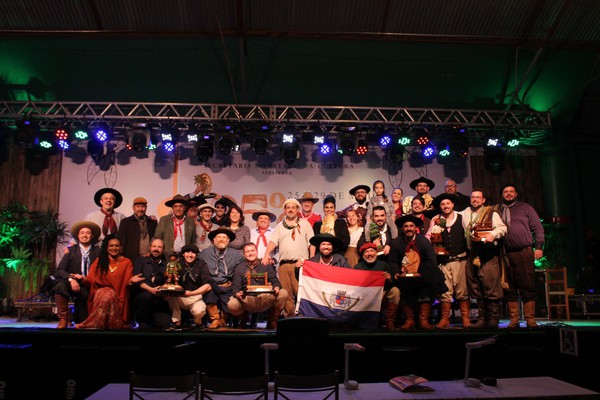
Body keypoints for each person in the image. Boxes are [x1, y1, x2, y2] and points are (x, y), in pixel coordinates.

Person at [496, 184, 544, 328]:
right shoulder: (497, 210)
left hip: (524, 252)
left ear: (516, 194)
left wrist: (538, 247)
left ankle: (530, 319)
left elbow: (537, 228)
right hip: (504, 253)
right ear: (502, 194)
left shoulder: (526, 208)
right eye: (506, 191)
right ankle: (514, 319)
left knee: (527, 284)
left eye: (511, 191)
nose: (509, 194)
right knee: (508, 287)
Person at [389, 215, 448, 330]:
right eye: (406, 226)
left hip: (422, 273)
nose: (409, 229)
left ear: (415, 228)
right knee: (402, 289)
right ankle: (410, 320)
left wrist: (421, 273)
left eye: (411, 226)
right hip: (404, 275)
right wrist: (396, 272)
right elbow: (393, 260)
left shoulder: (423, 241)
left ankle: (423, 320)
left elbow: (431, 260)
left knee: (426, 288)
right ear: (402, 228)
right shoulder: (396, 243)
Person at [461, 189, 507, 328]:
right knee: (475, 286)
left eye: (478, 197)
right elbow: (451, 216)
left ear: (483, 200)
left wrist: (492, 234)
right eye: (473, 197)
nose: (475, 199)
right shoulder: (465, 213)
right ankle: (482, 318)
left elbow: (502, 228)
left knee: (490, 286)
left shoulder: (491, 213)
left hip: (488, 254)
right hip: (473, 253)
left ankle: (493, 319)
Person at [262, 198, 315, 318]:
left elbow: (311, 243)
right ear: (285, 210)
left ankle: (304, 317)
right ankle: (289, 317)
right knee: (286, 294)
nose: (290, 210)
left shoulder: (305, 224)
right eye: (288, 207)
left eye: (293, 207)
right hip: (284, 265)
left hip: (300, 264)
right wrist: (266, 254)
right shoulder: (280, 226)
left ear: (297, 209)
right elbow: (273, 242)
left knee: (301, 292)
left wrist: (311, 260)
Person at [425, 193, 471, 329]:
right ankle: (445, 319)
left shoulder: (461, 217)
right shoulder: (436, 219)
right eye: (443, 204)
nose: (445, 206)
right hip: (443, 261)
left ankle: (466, 318)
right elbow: (428, 236)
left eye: (448, 203)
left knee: (462, 290)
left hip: (460, 259)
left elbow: (468, 235)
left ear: (452, 205)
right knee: (445, 291)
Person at [75, 234, 139, 329]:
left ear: (121, 248)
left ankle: (95, 323)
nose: (114, 248)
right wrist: (82, 278)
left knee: (108, 295)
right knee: (105, 294)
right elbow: (91, 280)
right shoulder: (99, 261)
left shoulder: (127, 262)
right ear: (106, 248)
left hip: (118, 296)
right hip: (99, 295)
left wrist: (131, 281)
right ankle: (98, 323)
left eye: (117, 246)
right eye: (111, 246)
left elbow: (127, 283)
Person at [53, 221, 102, 328]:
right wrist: (71, 279)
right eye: (82, 233)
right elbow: (60, 270)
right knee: (60, 286)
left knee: (82, 321)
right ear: (78, 236)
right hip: (73, 282)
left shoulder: (99, 252)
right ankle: (63, 319)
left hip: (89, 284)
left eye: (88, 233)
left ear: (92, 236)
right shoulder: (70, 250)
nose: (85, 235)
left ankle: (77, 318)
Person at [227, 242, 288, 329]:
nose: (250, 253)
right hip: (246, 299)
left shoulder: (265, 265)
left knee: (283, 293)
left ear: (257, 252)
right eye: (247, 252)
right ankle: (244, 318)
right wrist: (237, 293)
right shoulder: (239, 267)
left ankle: (272, 320)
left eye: (252, 250)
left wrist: (276, 287)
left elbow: (274, 280)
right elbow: (235, 286)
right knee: (231, 304)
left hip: (264, 297)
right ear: (244, 255)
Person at [199, 228, 244, 328]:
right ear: (214, 240)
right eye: (218, 237)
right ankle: (215, 319)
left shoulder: (236, 254)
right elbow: (197, 266)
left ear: (228, 240)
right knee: (209, 293)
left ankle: (224, 318)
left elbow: (243, 268)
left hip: (228, 285)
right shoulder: (205, 253)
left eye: (224, 237)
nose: (221, 239)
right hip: (212, 285)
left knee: (231, 303)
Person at [354, 242, 400, 330]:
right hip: (365, 298)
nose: (369, 254)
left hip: (381, 296)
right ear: (363, 255)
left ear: (376, 253)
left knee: (395, 291)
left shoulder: (384, 265)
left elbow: (392, 284)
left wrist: (389, 278)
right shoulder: (358, 267)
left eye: (372, 251)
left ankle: (390, 321)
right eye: (366, 252)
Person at [167, 243, 212, 328]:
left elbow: (208, 286)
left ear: (196, 255)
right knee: (170, 295)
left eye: (193, 253)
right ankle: (177, 321)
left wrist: (191, 293)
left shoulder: (202, 265)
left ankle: (198, 321)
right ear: (183, 254)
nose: (190, 255)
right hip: (180, 297)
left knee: (199, 311)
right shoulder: (177, 264)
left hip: (196, 297)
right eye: (187, 252)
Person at [130, 238, 171, 329]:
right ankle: (140, 322)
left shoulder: (167, 264)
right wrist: (151, 289)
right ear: (150, 247)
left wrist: (162, 290)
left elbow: (169, 282)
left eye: (159, 247)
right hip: (143, 298)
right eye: (154, 246)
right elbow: (137, 280)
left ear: (163, 249)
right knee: (146, 297)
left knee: (165, 324)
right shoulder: (141, 260)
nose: (156, 249)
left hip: (159, 298)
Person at [119, 197, 158, 263]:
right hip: (131, 259)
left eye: (143, 206)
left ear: (146, 208)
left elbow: (156, 238)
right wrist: (123, 258)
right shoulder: (125, 222)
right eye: (138, 206)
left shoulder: (152, 222)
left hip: (150, 257)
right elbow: (122, 241)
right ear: (133, 208)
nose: (140, 209)